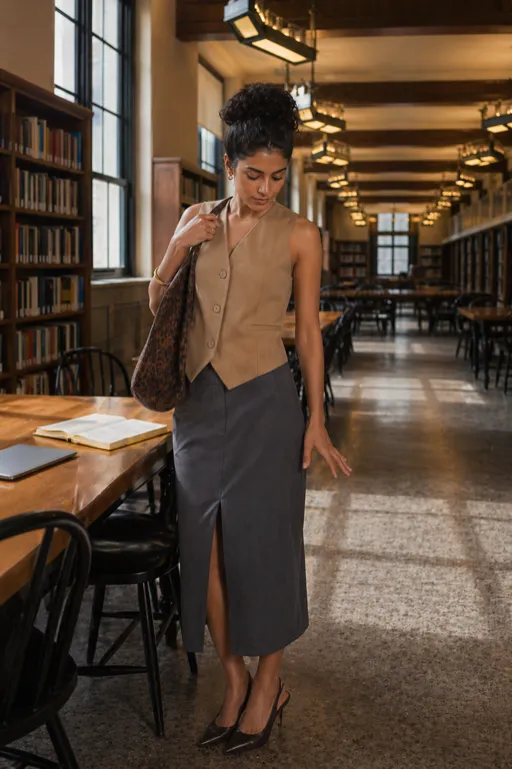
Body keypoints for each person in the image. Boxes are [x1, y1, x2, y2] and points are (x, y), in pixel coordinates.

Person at [148, 83, 351, 756]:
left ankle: (271, 681)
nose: (264, 188)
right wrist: (177, 243)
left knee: (266, 551)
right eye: (251, 174)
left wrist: (316, 419)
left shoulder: (301, 235)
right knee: (205, 553)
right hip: (199, 409)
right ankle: (232, 681)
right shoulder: (197, 220)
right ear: (228, 165)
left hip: (267, 403)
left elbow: (311, 338)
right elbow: (159, 306)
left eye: (276, 176)